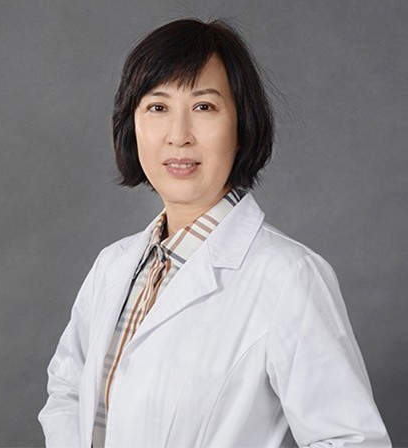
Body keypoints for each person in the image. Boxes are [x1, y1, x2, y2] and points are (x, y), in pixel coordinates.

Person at [38, 18, 392, 447]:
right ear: (132, 124)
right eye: (157, 107)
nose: (179, 136)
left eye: (204, 107)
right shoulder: (113, 266)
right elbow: (67, 392)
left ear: (242, 125)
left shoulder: (288, 277)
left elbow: (352, 439)